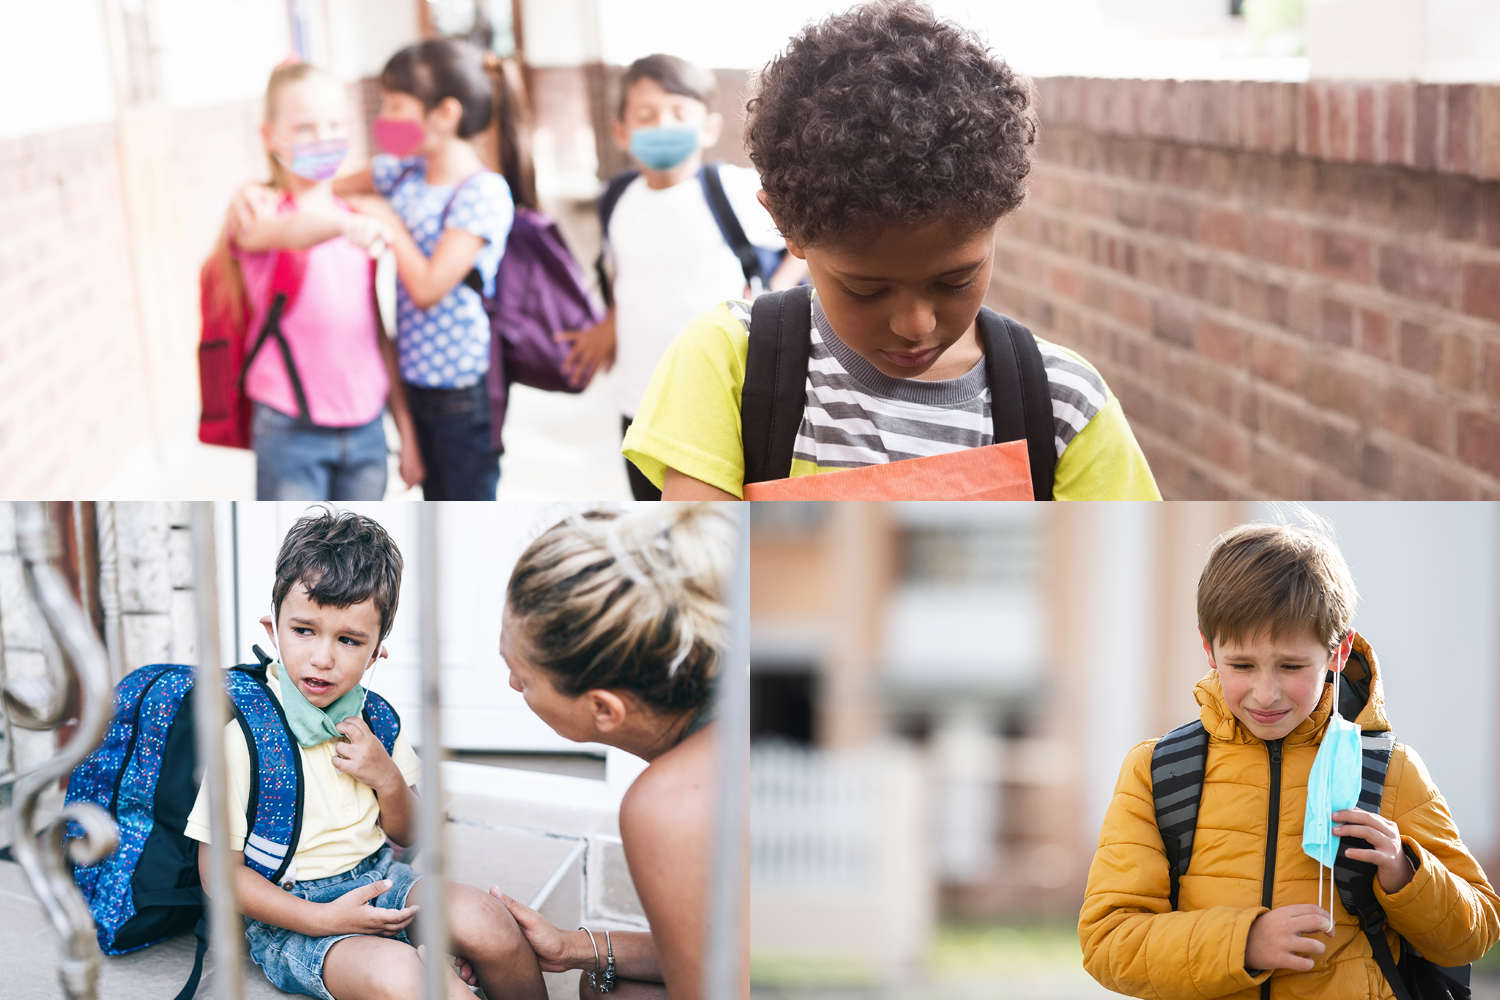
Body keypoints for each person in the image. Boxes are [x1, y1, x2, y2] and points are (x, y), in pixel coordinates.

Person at [621, 1, 1160, 500]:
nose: (915, 324)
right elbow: (697, 585)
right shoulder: (728, 363)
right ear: (786, 227)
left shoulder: (1064, 406)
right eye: (867, 288)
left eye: (955, 281)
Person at [1079, 520, 1500, 999]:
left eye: (1292, 666)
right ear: (1209, 649)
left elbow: (1476, 932)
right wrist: (1244, 943)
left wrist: (1406, 874)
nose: (1266, 692)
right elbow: (1107, 942)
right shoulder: (1156, 771)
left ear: (1337, 651)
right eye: (1242, 665)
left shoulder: (1391, 771)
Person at [186, 508, 546, 1000]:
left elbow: (409, 832)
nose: (322, 657)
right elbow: (220, 877)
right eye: (304, 631)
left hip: (380, 879)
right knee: (410, 979)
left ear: (377, 652)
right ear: (273, 630)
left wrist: (388, 777)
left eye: (349, 640)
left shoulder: (375, 720)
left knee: (492, 925)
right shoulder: (242, 736)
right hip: (294, 914)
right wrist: (321, 917)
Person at [453, 504, 738, 999]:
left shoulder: (671, 804)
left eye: (523, 674)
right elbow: (731, 953)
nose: (511, 681)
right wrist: (572, 948)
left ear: (604, 708)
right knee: (606, 985)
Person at [236, 40, 515, 499]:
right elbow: (322, 192)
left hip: (456, 395)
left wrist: (381, 221)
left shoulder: (481, 192)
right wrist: (252, 189)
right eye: (306, 127)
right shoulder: (401, 172)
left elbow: (423, 290)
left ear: (443, 115)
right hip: (385, 390)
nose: (383, 120)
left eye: (395, 106)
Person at [560, 54, 808, 501]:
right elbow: (629, 278)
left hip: (715, 401)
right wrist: (608, 329)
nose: (663, 127)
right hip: (639, 403)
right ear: (621, 131)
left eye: (679, 113)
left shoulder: (733, 190)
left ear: (709, 127)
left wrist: (774, 290)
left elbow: (806, 241)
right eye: (646, 115)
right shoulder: (618, 199)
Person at [214, 61, 422, 500]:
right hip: (290, 430)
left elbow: (376, 334)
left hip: (367, 432)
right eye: (304, 128)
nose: (323, 138)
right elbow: (291, 232)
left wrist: (406, 431)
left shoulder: (358, 217)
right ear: (270, 135)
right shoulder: (257, 216)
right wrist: (343, 228)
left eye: (333, 124)